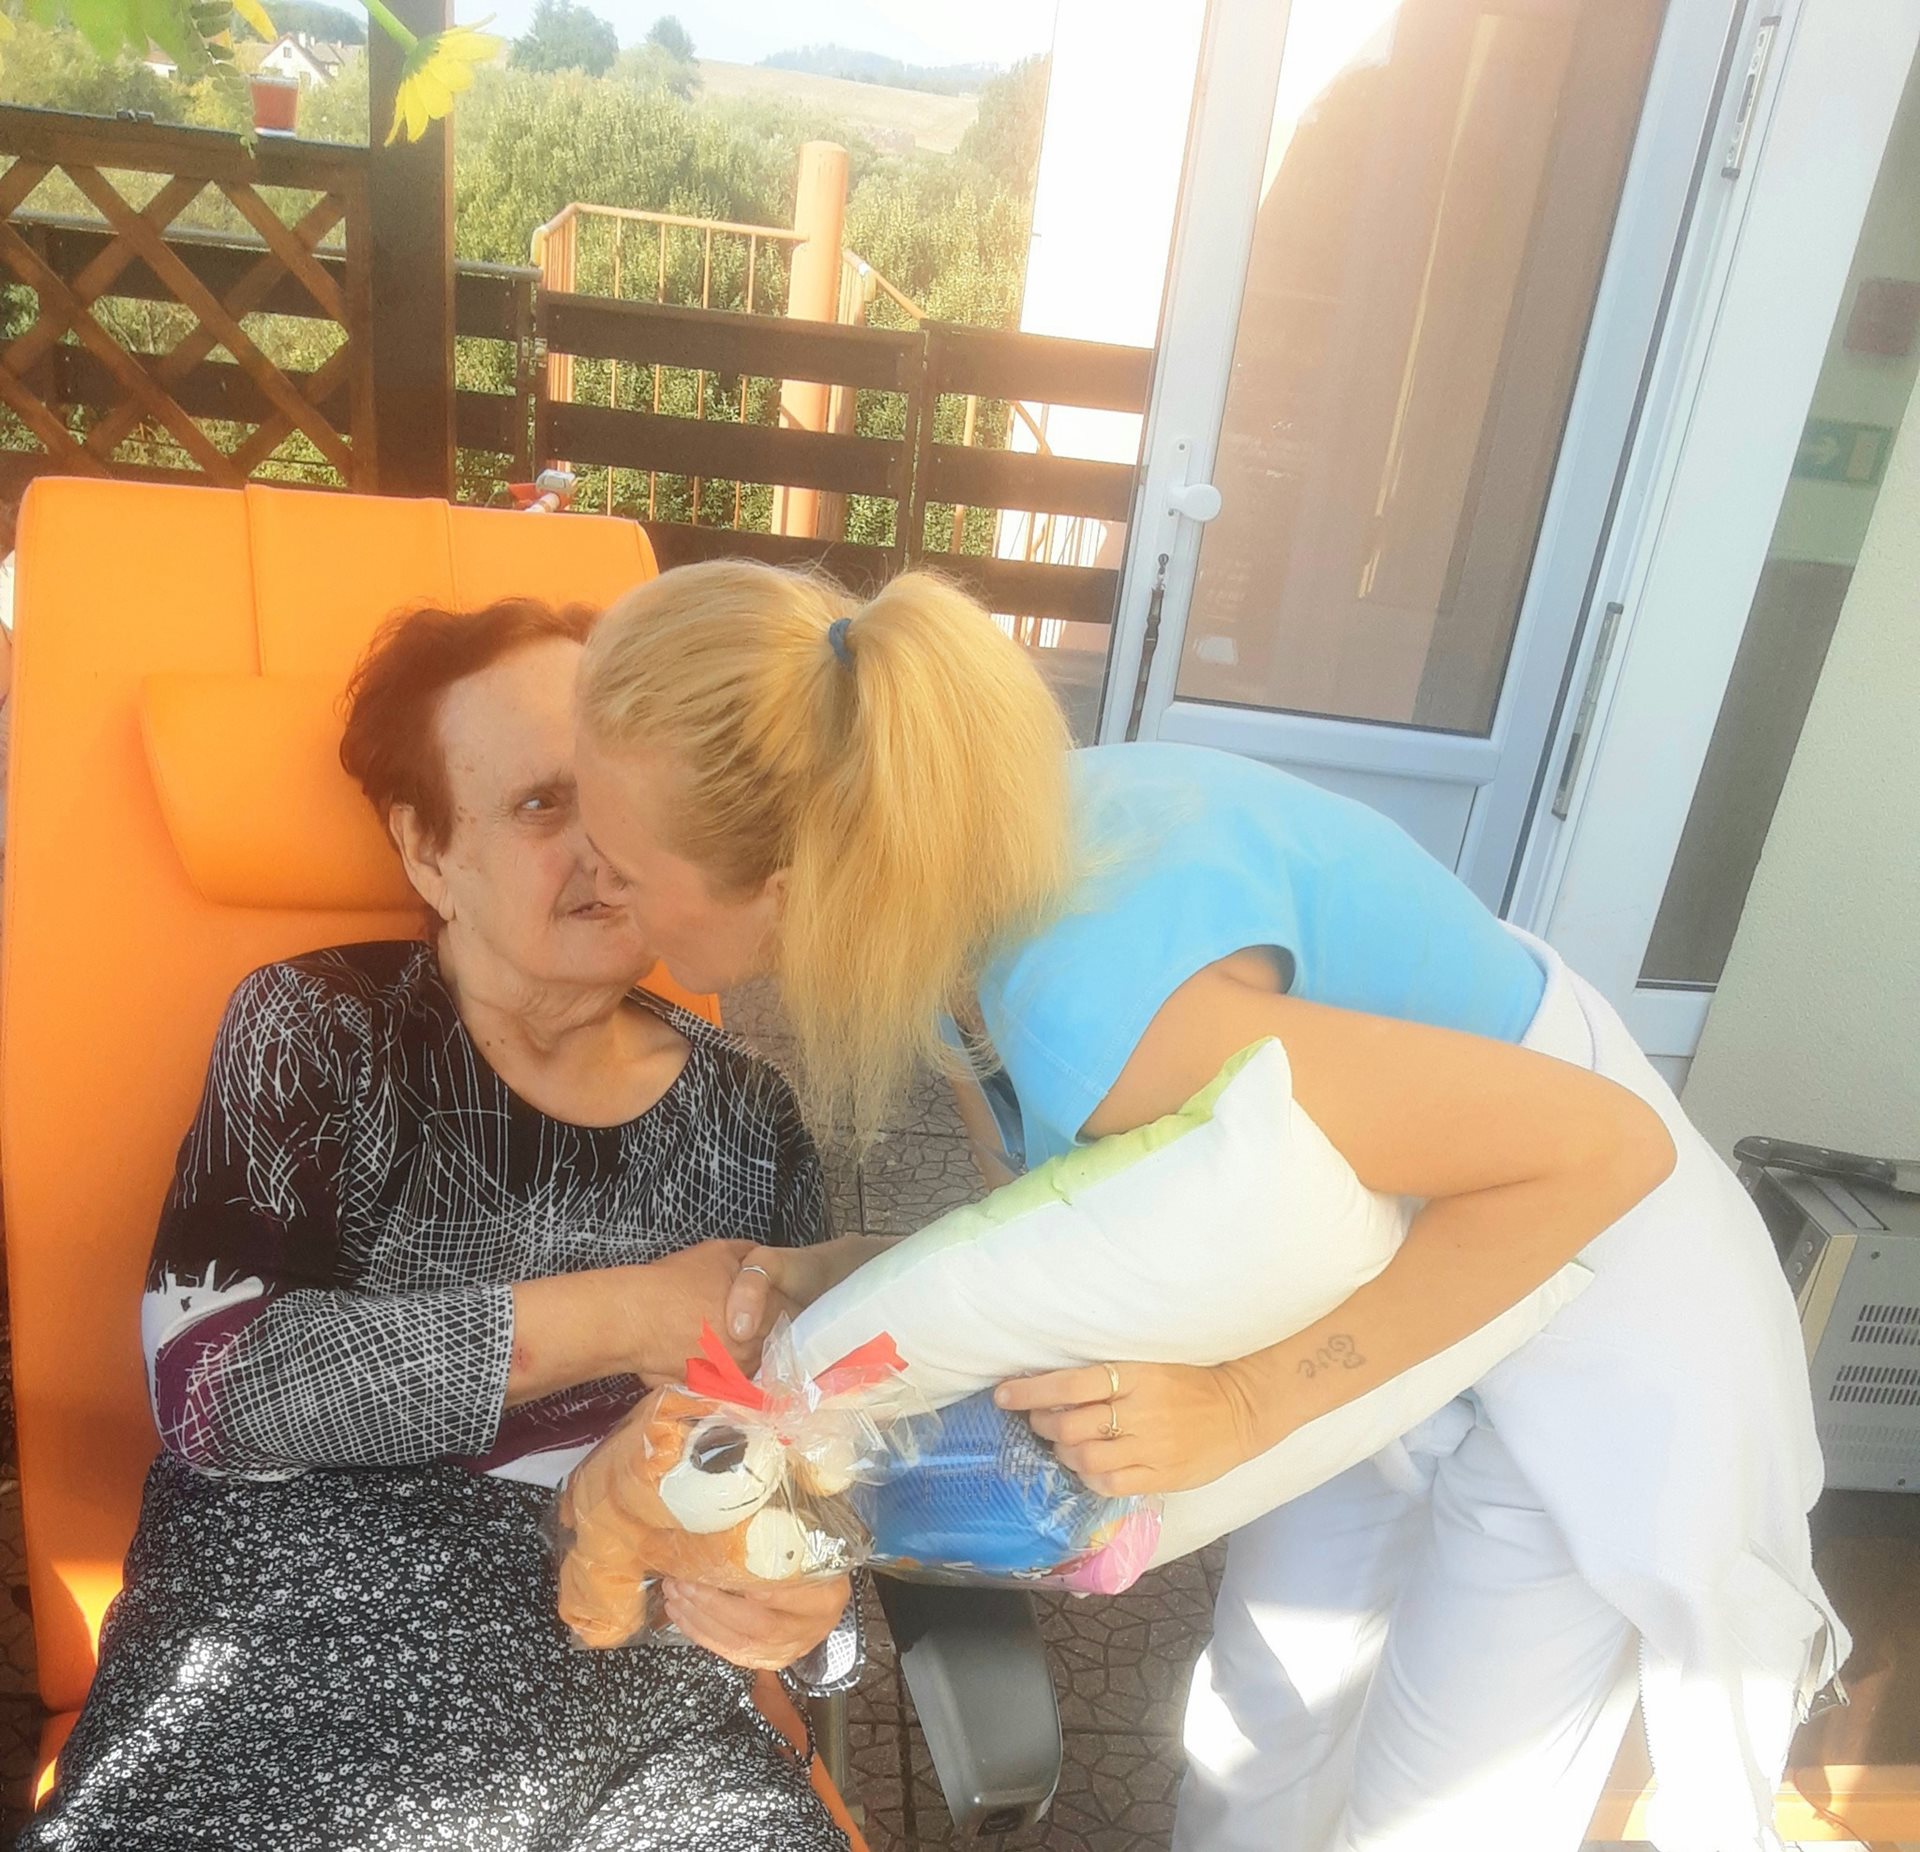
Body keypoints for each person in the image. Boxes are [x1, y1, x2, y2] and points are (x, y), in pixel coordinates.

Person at [571, 560, 1841, 1852]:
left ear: (783, 887)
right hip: (1375, 1251)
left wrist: (1245, 1404)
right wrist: (858, 1266)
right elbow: (1097, 1227)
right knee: (1261, 1730)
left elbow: (1601, 1150)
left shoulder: (1095, 1005)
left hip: (1569, 1265)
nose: (590, 881)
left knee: (1443, 1807)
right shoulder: (944, 893)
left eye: (617, 862)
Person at [25, 599, 855, 1852]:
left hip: (637, 1709)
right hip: (286, 1661)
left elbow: (830, 1452)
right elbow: (214, 1386)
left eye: (621, 799)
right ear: (426, 851)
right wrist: (628, 1312)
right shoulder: (322, 1030)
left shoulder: (750, 1117)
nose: (605, 848)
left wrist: (816, 1607)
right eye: (542, 804)